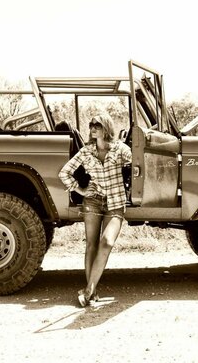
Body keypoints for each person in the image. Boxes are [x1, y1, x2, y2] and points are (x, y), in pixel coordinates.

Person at [58, 113, 132, 307]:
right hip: (92, 201)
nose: (93, 127)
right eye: (91, 125)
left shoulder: (120, 149)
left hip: (115, 202)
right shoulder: (86, 151)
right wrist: (80, 190)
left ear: (106, 127)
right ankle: (93, 290)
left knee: (106, 242)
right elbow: (64, 172)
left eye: (97, 124)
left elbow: (137, 164)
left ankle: (88, 289)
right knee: (91, 244)